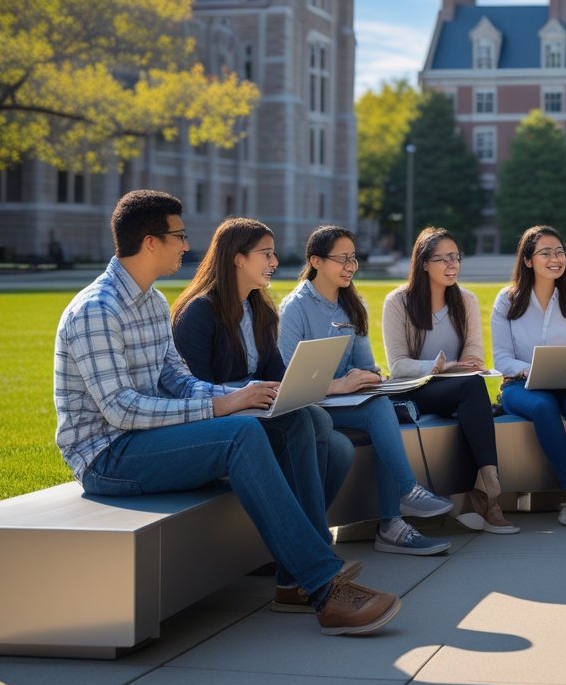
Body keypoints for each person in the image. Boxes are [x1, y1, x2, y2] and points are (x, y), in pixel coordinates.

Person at [55, 191, 399, 636]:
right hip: (108, 456)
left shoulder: (153, 303)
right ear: (150, 241)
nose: (186, 245)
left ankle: (295, 578)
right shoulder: (97, 311)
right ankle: (323, 587)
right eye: (178, 236)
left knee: (293, 419)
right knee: (240, 434)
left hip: (146, 439)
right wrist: (222, 405)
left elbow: (177, 379)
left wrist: (240, 396)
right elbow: (121, 410)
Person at [171, 218, 356, 610]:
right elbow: (194, 387)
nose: (274, 261)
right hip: (218, 417)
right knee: (302, 423)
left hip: (256, 411)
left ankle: (296, 560)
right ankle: (310, 563)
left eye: (273, 253)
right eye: (266, 253)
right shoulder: (198, 313)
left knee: (329, 436)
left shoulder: (259, 310)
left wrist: (294, 387)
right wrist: (247, 394)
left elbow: (274, 373)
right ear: (238, 259)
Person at [279, 225, 454, 557]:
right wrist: (342, 384)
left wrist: (371, 377)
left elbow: (364, 364)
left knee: (385, 401)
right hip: (309, 406)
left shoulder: (351, 303)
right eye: (341, 259)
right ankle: (402, 500)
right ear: (315, 261)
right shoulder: (295, 307)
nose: (350, 266)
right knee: (378, 410)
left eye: (353, 258)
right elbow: (290, 381)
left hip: (344, 399)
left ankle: (394, 524)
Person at [383, 227, 519, 534]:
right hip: (416, 389)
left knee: (473, 387)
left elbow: (473, 353)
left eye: (455, 257)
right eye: (442, 259)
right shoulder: (398, 302)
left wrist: (459, 366)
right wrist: (437, 367)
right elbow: (398, 365)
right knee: (472, 389)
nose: (451, 265)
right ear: (423, 263)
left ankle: (485, 491)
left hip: (457, 386)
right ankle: (490, 496)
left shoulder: (466, 300)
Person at [492, 226, 566, 530]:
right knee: (543, 407)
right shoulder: (507, 300)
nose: (555, 258)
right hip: (520, 386)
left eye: (560, 251)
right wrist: (532, 369)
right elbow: (501, 360)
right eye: (546, 253)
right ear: (528, 261)